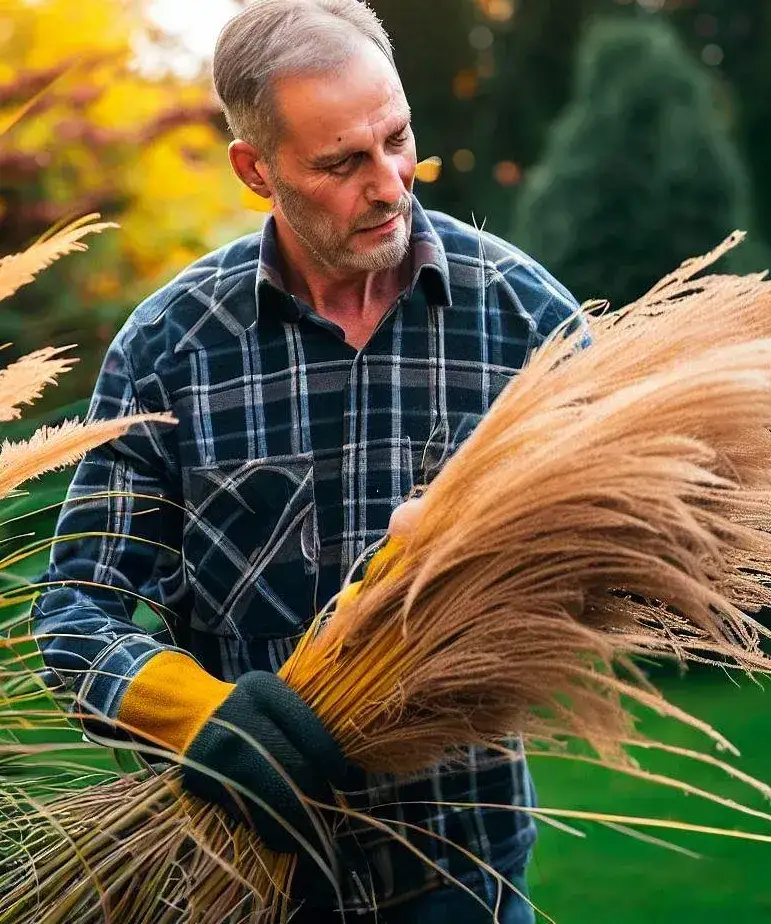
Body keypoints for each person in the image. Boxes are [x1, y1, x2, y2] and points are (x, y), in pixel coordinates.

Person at [33, 1, 581, 920]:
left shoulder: (525, 318)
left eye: (397, 139)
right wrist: (200, 716)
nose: (391, 185)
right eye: (342, 163)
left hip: (462, 878)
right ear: (256, 170)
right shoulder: (170, 347)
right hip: (245, 883)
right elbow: (73, 610)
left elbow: (629, 554)